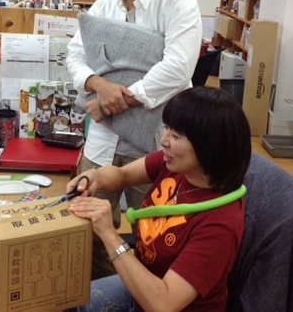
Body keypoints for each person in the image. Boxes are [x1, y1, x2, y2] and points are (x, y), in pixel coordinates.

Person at [66, 0, 203, 279]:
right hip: (102, 145)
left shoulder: (177, 2)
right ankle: (99, 296)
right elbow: (74, 55)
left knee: (156, 234)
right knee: (89, 231)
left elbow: (178, 68)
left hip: (157, 148)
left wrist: (119, 99)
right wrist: (98, 85)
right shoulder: (103, 6)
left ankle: (145, 296)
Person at [66, 86, 251, 312]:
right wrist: (93, 176)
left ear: (209, 147)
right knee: (68, 303)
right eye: (167, 128)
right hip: (142, 287)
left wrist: (108, 234)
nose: (163, 140)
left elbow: (163, 304)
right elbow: (123, 175)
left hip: (160, 301)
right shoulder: (176, 166)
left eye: (176, 136)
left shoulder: (220, 224)